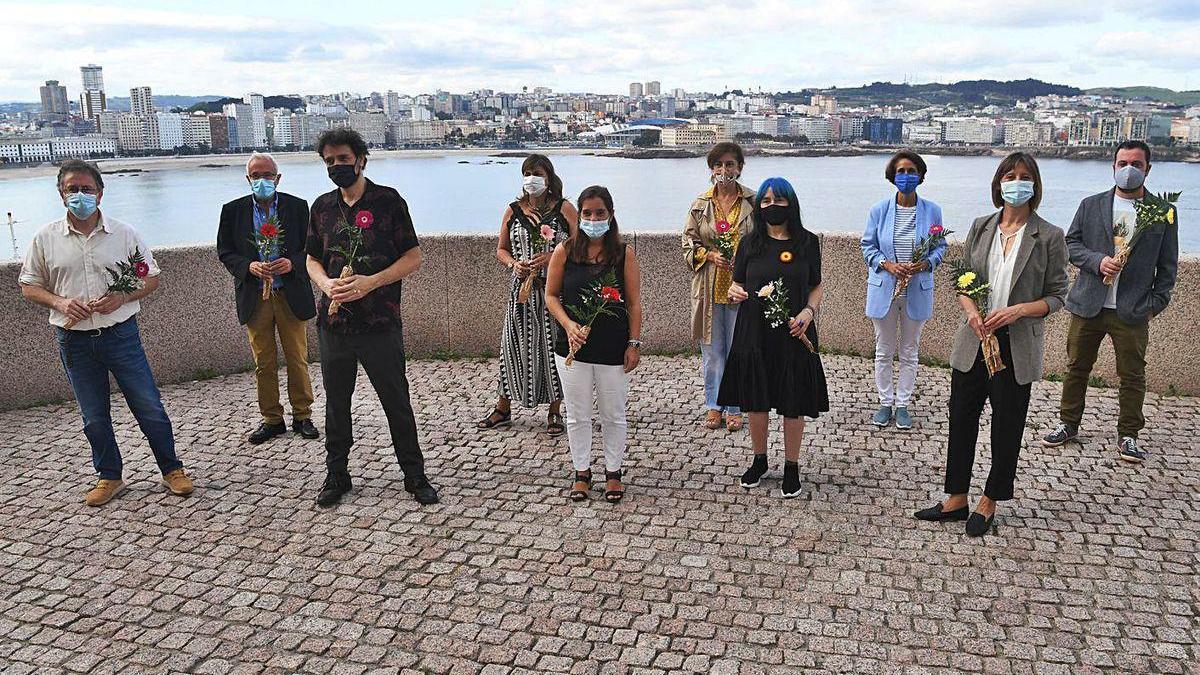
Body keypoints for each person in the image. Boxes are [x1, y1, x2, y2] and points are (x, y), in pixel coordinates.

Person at [18, 159, 193, 506]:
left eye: (86, 189)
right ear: (60, 193)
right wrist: (61, 303)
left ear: (100, 193)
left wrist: (123, 297)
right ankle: (109, 476)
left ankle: (172, 469)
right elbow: (29, 285)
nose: (79, 195)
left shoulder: (125, 235)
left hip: (121, 335)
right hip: (74, 340)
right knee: (93, 415)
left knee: (149, 406)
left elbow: (150, 276)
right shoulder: (45, 238)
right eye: (72, 189)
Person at [915, 152, 1068, 537]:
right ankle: (955, 497)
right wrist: (970, 312)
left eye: (1024, 176)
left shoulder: (1049, 236)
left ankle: (990, 499)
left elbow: (1057, 296)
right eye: (1009, 175)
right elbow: (963, 280)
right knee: (961, 418)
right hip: (974, 340)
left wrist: (1016, 311)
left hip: (1015, 344)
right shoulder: (981, 227)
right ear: (998, 183)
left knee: (1007, 424)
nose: (1016, 181)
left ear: (1035, 184)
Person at [304, 128, 438, 506]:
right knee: (336, 403)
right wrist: (327, 285)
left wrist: (371, 283)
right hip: (334, 326)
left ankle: (414, 476)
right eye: (329, 162)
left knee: (396, 401)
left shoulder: (388, 201)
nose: (336, 166)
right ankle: (336, 475)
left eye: (343, 159)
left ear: (361, 159)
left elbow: (413, 257)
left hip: (380, 322)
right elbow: (311, 258)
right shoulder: (322, 208)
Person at [1042, 140, 1179, 464]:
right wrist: (1097, 261)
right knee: (1077, 368)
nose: (1129, 169)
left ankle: (1129, 434)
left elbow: (1168, 266)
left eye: (1136, 163)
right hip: (1088, 304)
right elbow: (1071, 244)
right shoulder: (1091, 205)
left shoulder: (1164, 212)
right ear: (1113, 166)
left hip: (1132, 311)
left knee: (1133, 374)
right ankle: (1068, 423)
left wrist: (1153, 306)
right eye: (1123, 163)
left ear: (1148, 168)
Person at [719, 177, 829, 499]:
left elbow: (816, 285)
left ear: (790, 203)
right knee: (757, 398)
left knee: (792, 400)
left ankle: (792, 466)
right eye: (765, 201)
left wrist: (809, 312)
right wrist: (733, 291)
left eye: (778, 200)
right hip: (754, 330)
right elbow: (736, 284)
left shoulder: (807, 243)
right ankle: (760, 460)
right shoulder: (749, 244)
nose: (771, 206)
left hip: (796, 329)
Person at [545, 186, 642, 504]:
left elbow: (634, 302)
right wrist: (569, 325)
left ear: (610, 215)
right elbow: (551, 296)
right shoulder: (565, 251)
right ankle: (581, 473)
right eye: (587, 213)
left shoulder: (623, 254)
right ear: (580, 216)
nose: (593, 218)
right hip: (572, 348)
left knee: (613, 414)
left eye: (600, 213)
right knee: (577, 414)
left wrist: (634, 343)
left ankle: (613, 473)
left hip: (613, 347)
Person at [217, 152, 319, 445]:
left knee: (297, 357)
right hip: (255, 296)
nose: (263, 181)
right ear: (248, 179)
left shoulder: (297, 207)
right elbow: (225, 251)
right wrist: (248, 267)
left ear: (278, 178)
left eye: (268, 175)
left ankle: (302, 415)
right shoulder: (233, 210)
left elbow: (312, 248)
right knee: (264, 361)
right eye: (257, 176)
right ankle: (272, 419)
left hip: (290, 292)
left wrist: (293, 263)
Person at [477, 154, 577, 435]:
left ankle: (555, 410)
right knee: (512, 348)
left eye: (537, 172)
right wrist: (514, 263)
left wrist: (552, 257)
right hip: (521, 292)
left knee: (551, 348)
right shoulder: (513, 210)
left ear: (549, 176)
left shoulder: (564, 209)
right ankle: (503, 406)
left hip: (552, 291)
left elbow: (579, 244)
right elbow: (501, 249)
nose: (532, 178)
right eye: (527, 173)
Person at [860, 151, 946, 430]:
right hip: (885, 288)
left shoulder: (932, 210)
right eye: (901, 171)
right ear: (892, 176)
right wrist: (886, 264)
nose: (906, 176)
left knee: (910, 351)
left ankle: (903, 404)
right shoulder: (878, 210)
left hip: (916, 289)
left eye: (911, 171)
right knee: (883, 350)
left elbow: (940, 246)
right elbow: (867, 246)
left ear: (920, 176)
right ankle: (885, 402)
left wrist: (926, 263)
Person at [682, 142, 756, 432]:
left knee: (739, 348)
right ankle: (714, 405)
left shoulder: (753, 201)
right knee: (712, 351)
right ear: (711, 169)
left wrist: (744, 259)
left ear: (739, 167)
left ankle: (735, 406)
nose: (724, 171)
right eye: (718, 165)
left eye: (730, 165)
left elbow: (763, 241)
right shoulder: (700, 205)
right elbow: (688, 245)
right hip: (710, 286)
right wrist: (710, 255)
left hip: (742, 288)